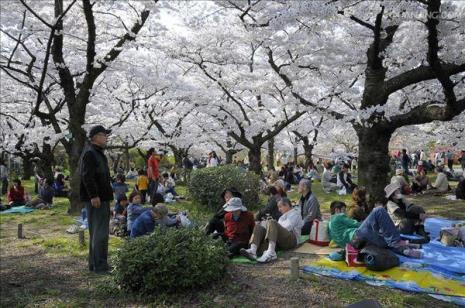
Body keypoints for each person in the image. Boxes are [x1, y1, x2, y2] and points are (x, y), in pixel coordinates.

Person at [328, 201, 422, 258]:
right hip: (357, 237)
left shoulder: (329, 224)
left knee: (384, 238)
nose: (345, 212)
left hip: (355, 244)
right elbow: (356, 224)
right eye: (343, 210)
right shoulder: (338, 217)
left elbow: (335, 238)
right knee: (379, 210)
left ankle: (406, 250)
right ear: (337, 210)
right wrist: (369, 221)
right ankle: (399, 242)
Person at [79, 125, 114, 273]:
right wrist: (93, 196)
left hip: (102, 197)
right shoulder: (90, 153)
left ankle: (96, 264)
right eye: (104, 135)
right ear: (96, 137)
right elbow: (87, 176)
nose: (106, 137)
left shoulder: (98, 153)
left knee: (99, 232)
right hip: (97, 199)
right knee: (99, 233)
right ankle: (100, 266)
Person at [240, 197, 303, 263]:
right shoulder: (282, 217)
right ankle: (253, 250)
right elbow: (277, 229)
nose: (279, 210)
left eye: (280, 207)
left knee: (272, 222)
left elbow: (287, 227)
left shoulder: (295, 214)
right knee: (258, 227)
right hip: (280, 241)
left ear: (286, 205)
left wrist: (271, 226)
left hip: (293, 240)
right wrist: (269, 228)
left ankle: (271, 252)